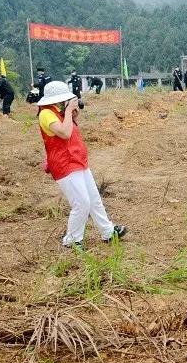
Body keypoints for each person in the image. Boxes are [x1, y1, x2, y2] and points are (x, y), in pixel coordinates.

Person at [35, 81, 126, 249]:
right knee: (81, 203)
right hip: (64, 164)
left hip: (78, 160)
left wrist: (72, 115)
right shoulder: (46, 114)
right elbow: (64, 133)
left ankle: (108, 231)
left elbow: (71, 130)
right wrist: (68, 111)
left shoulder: (60, 112)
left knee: (94, 199)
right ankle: (72, 240)